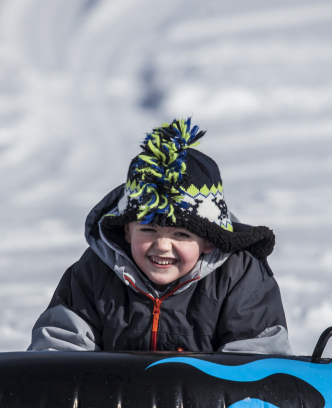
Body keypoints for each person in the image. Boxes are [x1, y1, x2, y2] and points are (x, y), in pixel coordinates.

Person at [28, 118, 291, 354]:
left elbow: (257, 367)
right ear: (127, 232)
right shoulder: (95, 273)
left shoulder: (239, 277)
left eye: (180, 234)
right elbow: (59, 352)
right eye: (148, 229)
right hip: (116, 407)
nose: (162, 246)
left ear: (209, 240)